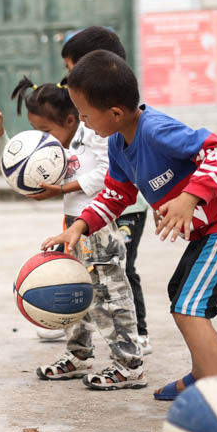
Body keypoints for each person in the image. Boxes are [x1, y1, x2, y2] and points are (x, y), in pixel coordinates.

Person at [42, 51, 217, 401]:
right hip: (213, 229)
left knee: (191, 307)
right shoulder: (118, 143)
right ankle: (202, 375)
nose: (83, 123)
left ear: (115, 113)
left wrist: (190, 197)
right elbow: (116, 194)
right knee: (181, 296)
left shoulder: (157, 130)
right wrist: (80, 226)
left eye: (85, 115)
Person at [0, 77, 145, 390]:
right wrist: (1, 136)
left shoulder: (94, 133)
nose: (42, 139)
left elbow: (109, 173)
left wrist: (63, 188)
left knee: (108, 297)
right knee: (75, 290)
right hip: (73, 225)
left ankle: (129, 365)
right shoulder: (60, 146)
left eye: (45, 131)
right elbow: (23, 166)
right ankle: (78, 355)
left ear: (71, 120)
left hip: (98, 223)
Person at [61, 26, 152, 354]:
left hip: (114, 213)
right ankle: (79, 353)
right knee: (84, 280)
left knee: (115, 279)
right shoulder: (92, 121)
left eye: (72, 70)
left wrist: (187, 197)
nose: (68, 80)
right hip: (89, 214)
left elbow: (110, 179)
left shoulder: (119, 125)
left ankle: (131, 350)